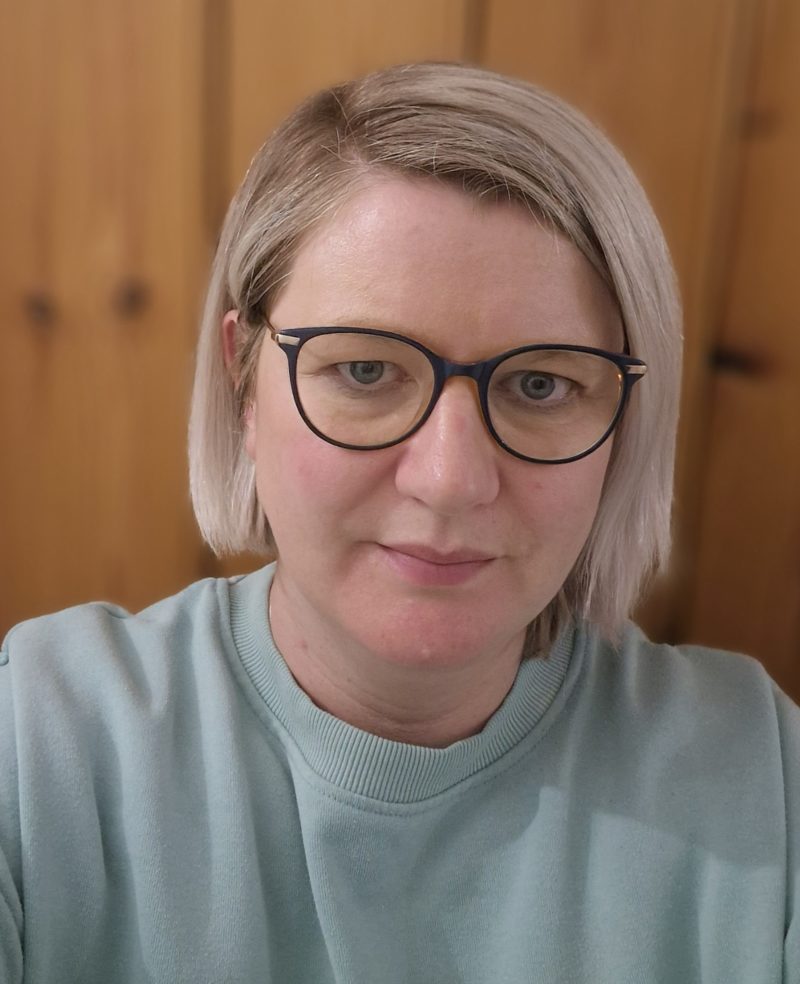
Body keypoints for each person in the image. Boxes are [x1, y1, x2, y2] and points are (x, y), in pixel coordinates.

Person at [0, 62, 797, 984]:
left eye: (542, 384)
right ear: (241, 382)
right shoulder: (36, 745)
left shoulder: (759, 775)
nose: (451, 480)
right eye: (367, 372)